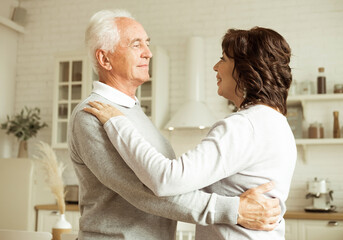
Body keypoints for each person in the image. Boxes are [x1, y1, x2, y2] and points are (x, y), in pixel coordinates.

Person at [70, 9, 281, 240]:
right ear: (104, 59)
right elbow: (144, 193)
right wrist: (233, 209)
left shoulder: (130, 112)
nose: (148, 53)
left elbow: (169, 180)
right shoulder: (93, 114)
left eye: (147, 44)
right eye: (136, 45)